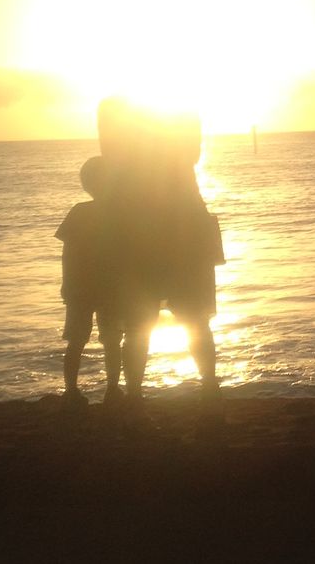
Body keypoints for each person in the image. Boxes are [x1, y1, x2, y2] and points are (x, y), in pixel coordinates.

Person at [96, 98, 224, 413]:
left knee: (145, 324)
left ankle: (138, 394)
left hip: (151, 240)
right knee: (189, 320)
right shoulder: (173, 146)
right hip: (177, 239)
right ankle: (206, 389)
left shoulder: (129, 152)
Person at [56, 155, 123, 409]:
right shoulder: (119, 213)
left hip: (82, 287)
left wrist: (67, 283)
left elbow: (68, 253)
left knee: (76, 340)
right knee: (112, 339)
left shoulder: (79, 212)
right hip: (109, 287)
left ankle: (72, 390)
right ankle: (112, 389)